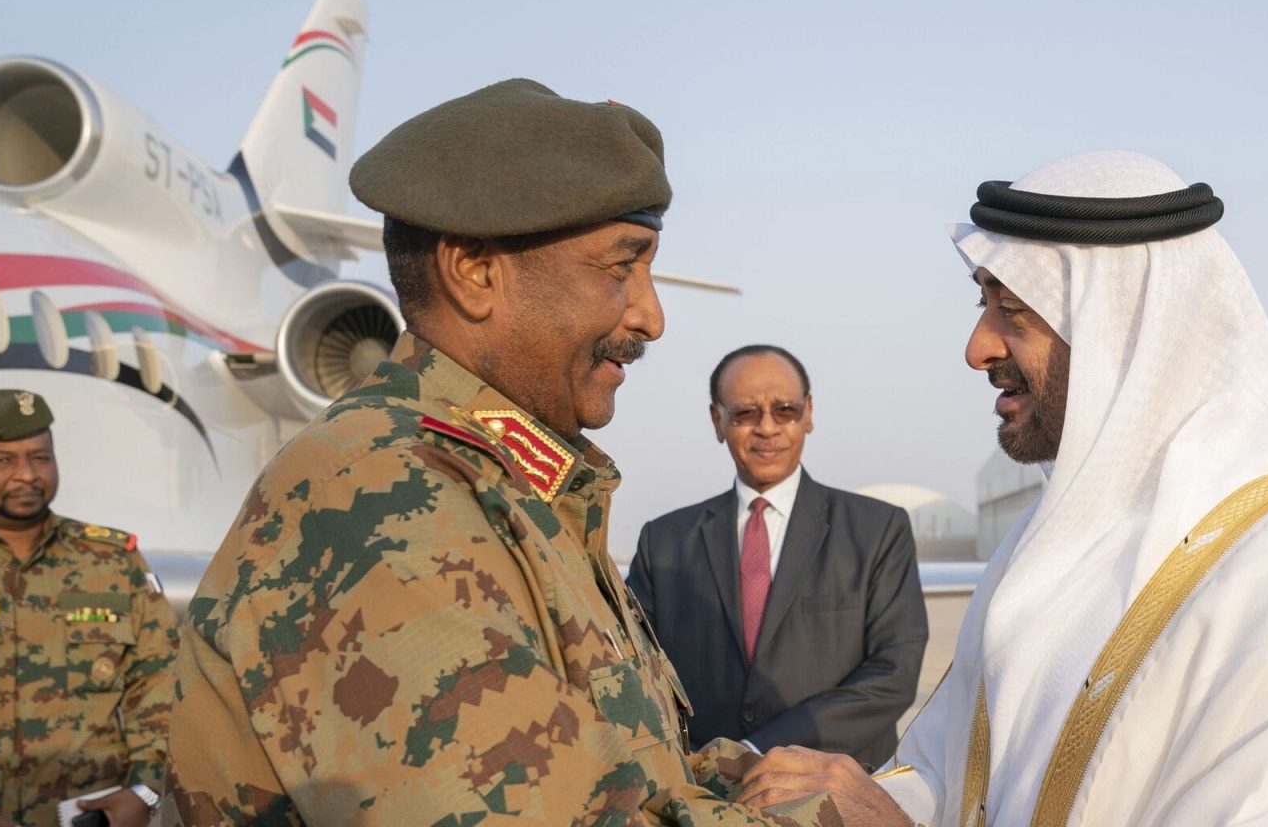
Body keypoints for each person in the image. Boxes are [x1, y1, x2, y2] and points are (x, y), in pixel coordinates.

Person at [162, 79, 865, 825]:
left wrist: (773, 780)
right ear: (474, 273)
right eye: (620, 267)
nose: (651, 316)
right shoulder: (379, 495)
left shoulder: (507, 485)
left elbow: (615, 768)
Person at [736, 151, 1268, 825]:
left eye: (1013, 311)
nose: (977, 348)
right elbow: (958, 779)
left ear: (1127, 333)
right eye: (982, 303)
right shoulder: (1040, 544)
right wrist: (845, 796)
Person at [627, 345, 927, 768]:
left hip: (835, 786)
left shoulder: (877, 531)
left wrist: (754, 751)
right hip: (704, 789)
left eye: (785, 410)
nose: (767, 428)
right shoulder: (664, 543)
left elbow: (893, 673)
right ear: (717, 421)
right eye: (745, 413)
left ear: (808, 414)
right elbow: (635, 672)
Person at [0, 389, 176, 827]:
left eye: (41, 458)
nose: (27, 475)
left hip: (88, 818)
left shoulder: (110, 560)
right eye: (3, 461)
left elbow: (162, 683)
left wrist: (144, 793)